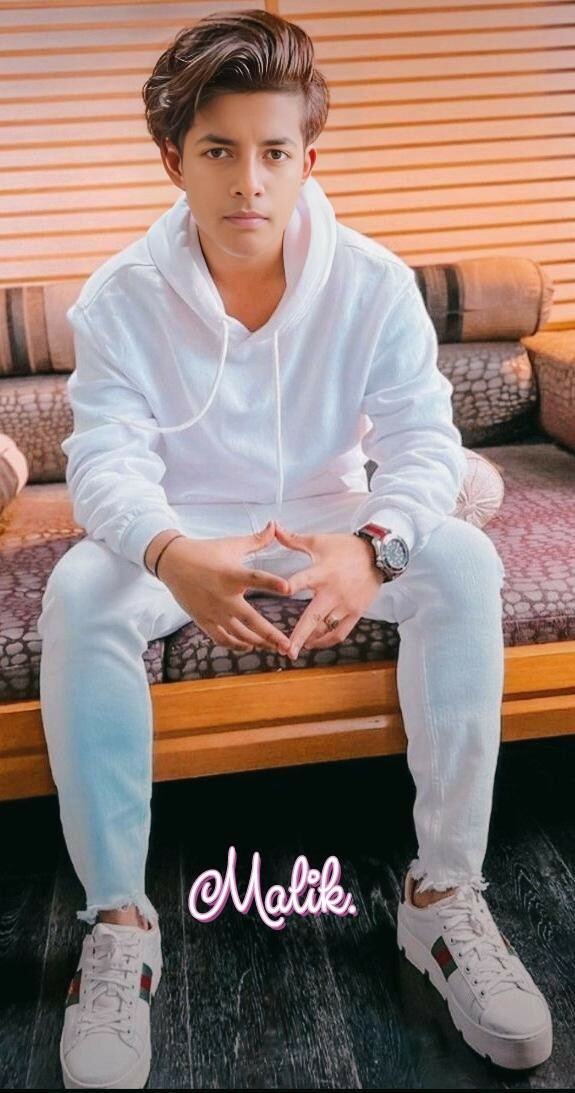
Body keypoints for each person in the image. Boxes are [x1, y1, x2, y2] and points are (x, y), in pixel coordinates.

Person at [36, 8, 552, 1088]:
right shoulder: (119, 297)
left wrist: (371, 547)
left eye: (273, 152)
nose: (248, 183)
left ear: (307, 158)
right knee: (80, 589)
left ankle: (442, 896)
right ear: (173, 159)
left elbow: (421, 442)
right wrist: (169, 552)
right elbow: (103, 463)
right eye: (217, 151)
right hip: (186, 533)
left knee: (461, 558)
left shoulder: (372, 281)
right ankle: (119, 923)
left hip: (330, 520)